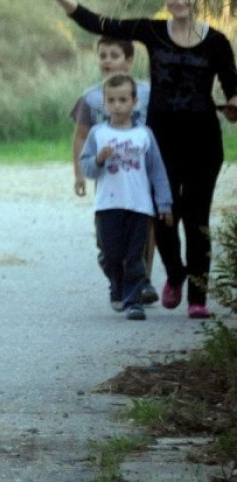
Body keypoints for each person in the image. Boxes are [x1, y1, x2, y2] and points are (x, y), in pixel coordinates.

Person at [48, 0, 237, 319]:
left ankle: (198, 297)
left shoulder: (217, 42)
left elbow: (233, 87)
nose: (179, 1)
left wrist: (233, 105)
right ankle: (176, 275)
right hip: (161, 141)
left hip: (203, 142)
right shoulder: (151, 32)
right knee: (165, 216)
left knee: (197, 220)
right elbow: (102, 24)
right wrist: (64, 1)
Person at [70, 37, 157, 307]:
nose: (107, 60)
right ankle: (114, 269)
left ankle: (143, 281)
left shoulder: (148, 93)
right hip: (110, 177)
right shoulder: (92, 97)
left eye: (114, 55)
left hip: (141, 173)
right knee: (110, 238)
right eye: (103, 55)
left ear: (129, 61)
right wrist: (79, 174)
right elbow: (80, 137)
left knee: (144, 229)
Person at [78, 74, 173, 321]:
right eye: (112, 100)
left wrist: (164, 203)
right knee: (111, 255)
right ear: (104, 104)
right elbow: (87, 167)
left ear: (134, 102)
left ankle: (133, 302)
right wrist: (99, 159)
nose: (117, 105)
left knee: (134, 257)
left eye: (123, 99)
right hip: (107, 205)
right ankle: (116, 286)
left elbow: (157, 171)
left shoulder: (144, 135)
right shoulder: (98, 134)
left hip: (139, 206)